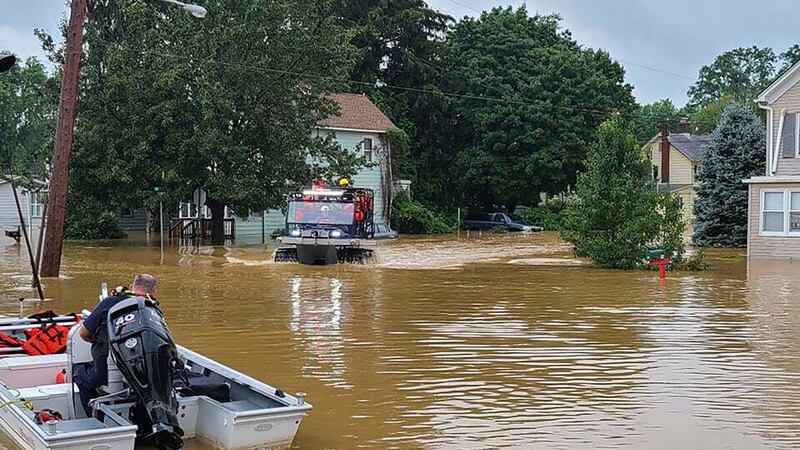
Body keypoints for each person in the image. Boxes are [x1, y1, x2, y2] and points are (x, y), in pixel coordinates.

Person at [74, 273, 158, 415]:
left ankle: (97, 419)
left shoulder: (110, 302)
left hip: (107, 372)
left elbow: (83, 333)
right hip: (145, 375)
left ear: (132, 287)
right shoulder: (152, 310)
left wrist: (99, 341)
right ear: (154, 292)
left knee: (80, 377)